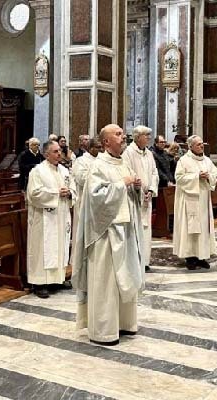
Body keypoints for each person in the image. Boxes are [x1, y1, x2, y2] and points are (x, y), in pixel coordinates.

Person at [71, 124, 145, 346]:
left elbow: (127, 193)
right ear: (106, 142)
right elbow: (96, 197)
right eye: (118, 134)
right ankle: (103, 330)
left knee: (126, 276)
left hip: (126, 229)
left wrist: (136, 187)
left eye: (123, 134)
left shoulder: (123, 163)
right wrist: (123, 184)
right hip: (105, 233)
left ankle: (124, 323)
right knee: (107, 283)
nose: (124, 138)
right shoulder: (98, 166)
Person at [27, 140, 77, 298]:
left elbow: (74, 188)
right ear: (46, 154)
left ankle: (57, 279)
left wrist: (69, 193)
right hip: (44, 218)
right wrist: (56, 193)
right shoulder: (38, 171)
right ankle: (40, 282)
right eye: (55, 152)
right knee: (43, 248)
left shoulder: (64, 170)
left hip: (61, 216)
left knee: (60, 246)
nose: (59, 154)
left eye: (60, 151)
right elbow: (34, 194)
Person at [173, 135, 217, 270]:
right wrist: (196, 176)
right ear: (190, 146)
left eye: (202, 144)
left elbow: (215, 174)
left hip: (203, 200)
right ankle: (190, 257)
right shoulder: (184, 160)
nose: (201, 146)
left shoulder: (207, 160)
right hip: (189, 200)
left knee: (203, 228)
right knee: (190, 229)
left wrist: (208, 176)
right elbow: (179, 178)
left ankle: (201, 256)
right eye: (198, 144)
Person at [123, 126, 159, 273]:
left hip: (146, 198)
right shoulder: (128, 153)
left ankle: (144, 260)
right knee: (134, 229)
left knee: (146, 230)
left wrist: (151, 189)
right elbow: (126, 172)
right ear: (138, 137)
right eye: (146, 136)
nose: (149, 138)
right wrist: (137, 187)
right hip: (134, 197)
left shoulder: (149, 154)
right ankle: (134, 261)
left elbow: (154, 173)